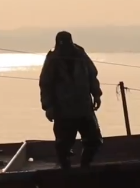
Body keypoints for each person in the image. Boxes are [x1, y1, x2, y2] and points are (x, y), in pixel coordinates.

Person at [39, 31, 103, 169]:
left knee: (94, 140)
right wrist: (48, 107)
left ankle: (85, 166)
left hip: (84, 107)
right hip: (63, 110)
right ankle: (66, 170)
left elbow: (92, 75)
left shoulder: (80, 54)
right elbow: (45, 84)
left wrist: (96, 94)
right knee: (63, 145)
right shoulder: (52, 59)